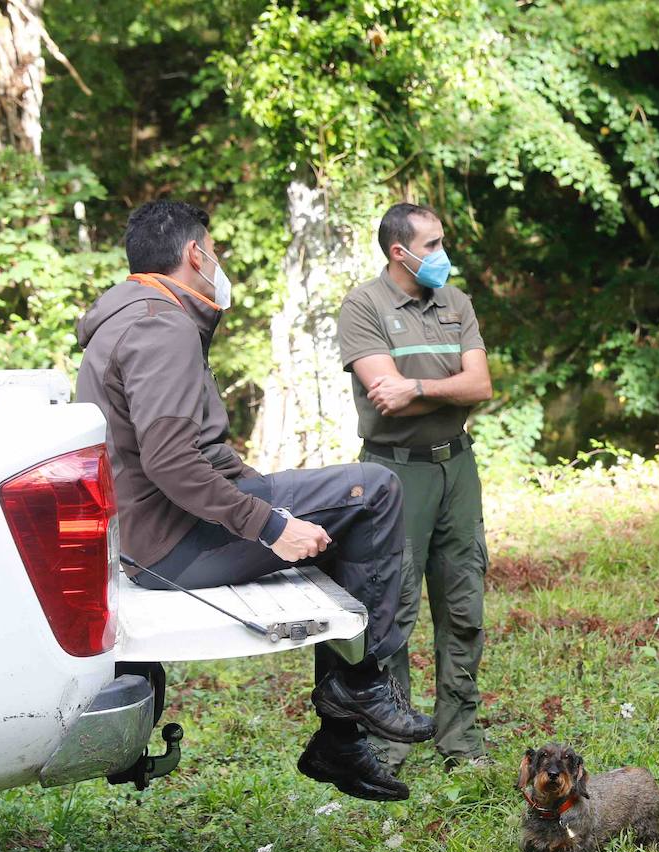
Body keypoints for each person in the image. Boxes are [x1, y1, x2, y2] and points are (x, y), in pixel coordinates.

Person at [75, 200, 433, 803]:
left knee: (341, 508)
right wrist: (270, 524)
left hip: (153, 536)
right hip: (176, 545)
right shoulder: (160, 325)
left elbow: (178, 449)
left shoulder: (125, 320)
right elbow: (169, 461)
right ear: (195, 254)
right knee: (373, 491)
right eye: (211, 249)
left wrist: (260, 491)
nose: (216, 262)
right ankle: (360, 686)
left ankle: (341, 738)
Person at [336, 203, 493, 774]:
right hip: (392, 476)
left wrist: (420, 386)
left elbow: (481, 384)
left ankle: (460, 739)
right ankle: (392, 739)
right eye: (432, 245)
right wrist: (444, 386)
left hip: (457, 469)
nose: (442, 255)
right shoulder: (364, 305)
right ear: (399, 252)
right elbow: (385, 396)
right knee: (393, 606)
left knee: (463, 603)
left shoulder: (457, 303)